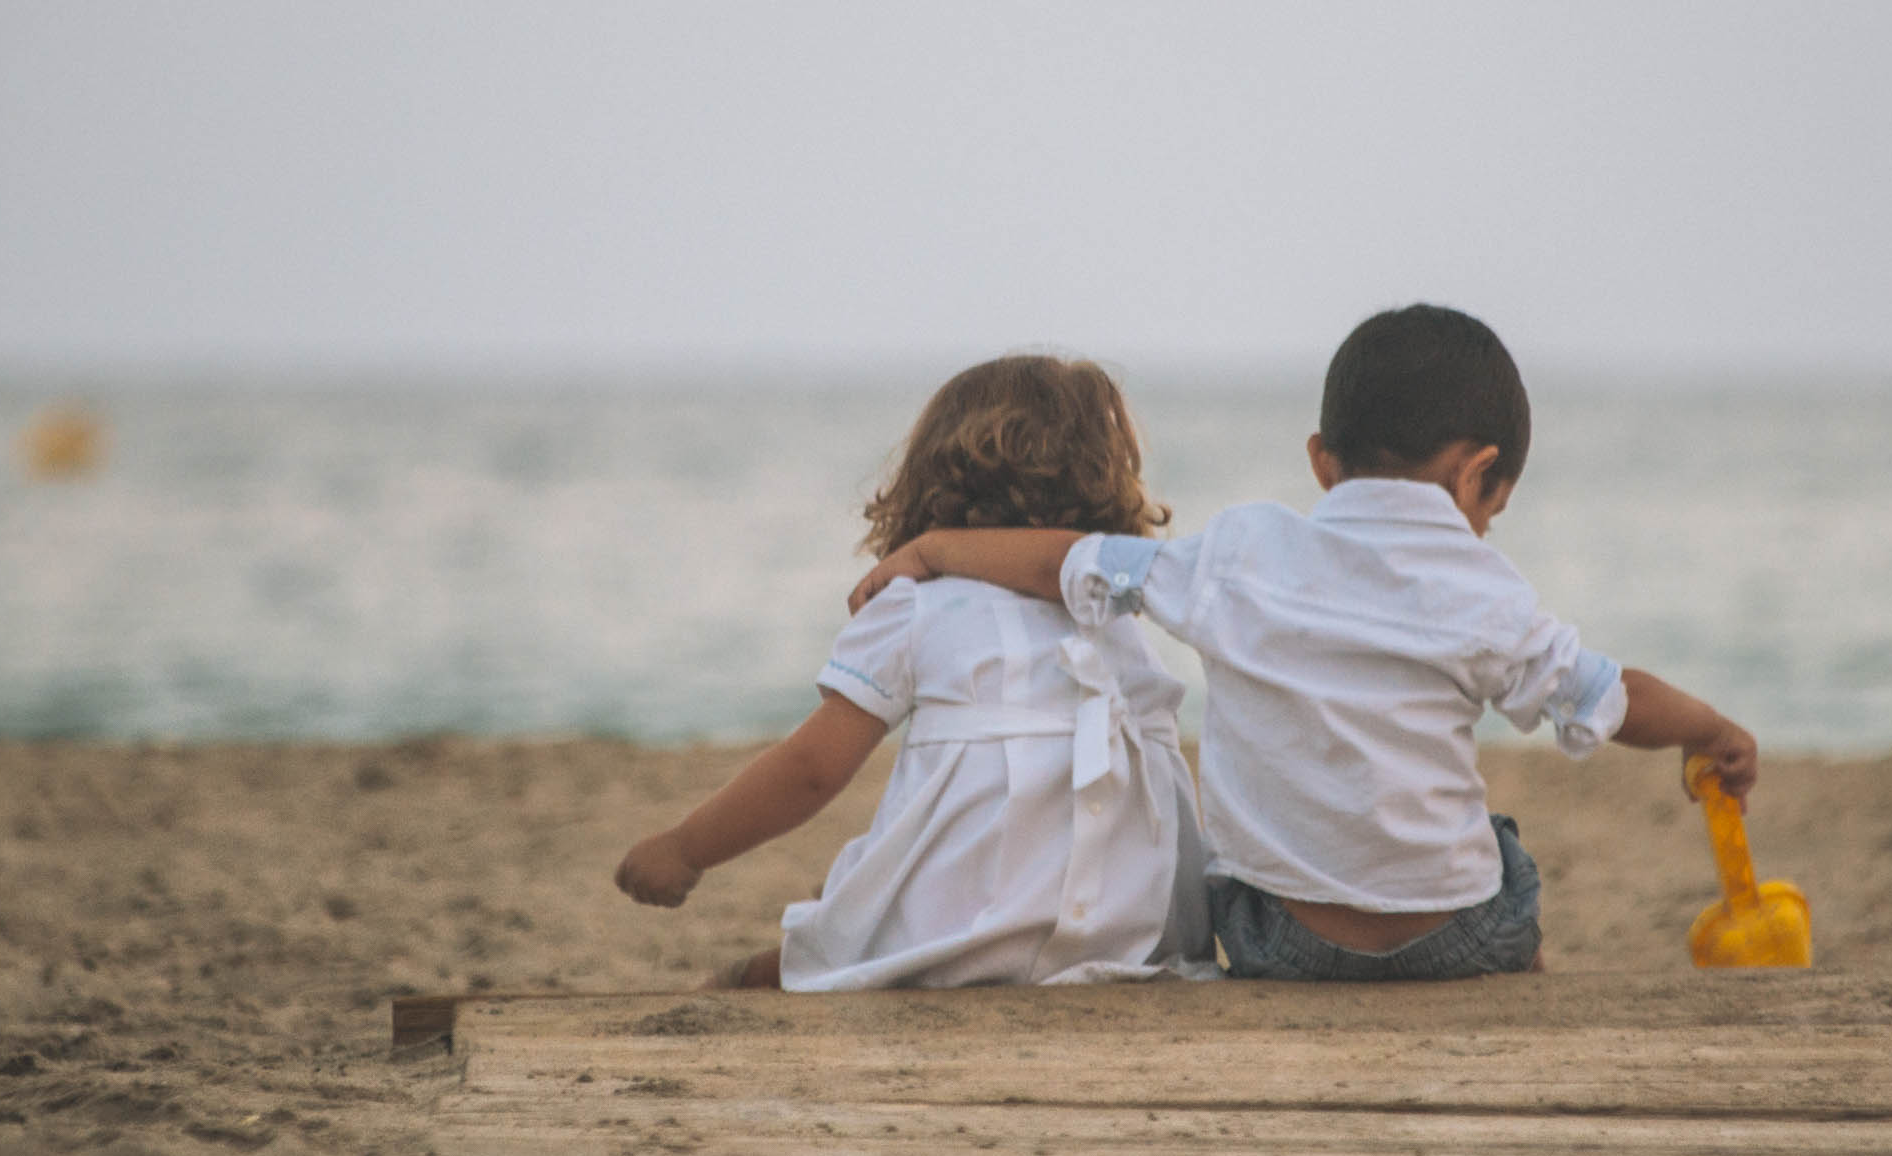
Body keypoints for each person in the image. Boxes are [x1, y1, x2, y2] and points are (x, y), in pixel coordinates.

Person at [848, 304, 1758, 981]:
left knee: (1240, 860)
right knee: (1502, 849)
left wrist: (932, 550)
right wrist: (1709, 730)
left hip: (1281, 941)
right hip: (1450, 938)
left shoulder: (1240, 554)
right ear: (1479, 473)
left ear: (1325, 460)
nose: (1485, 529)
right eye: (1493, 508)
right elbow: (1609, 696)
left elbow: (1069, 562)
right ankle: (1520, 978)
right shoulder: (1486, 591)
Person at [616, 355, 1210, 989]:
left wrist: (686, 849)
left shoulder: (915, 605)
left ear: (932, 479)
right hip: (1131, 937)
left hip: (969, 942)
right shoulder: (1117, 622)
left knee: (764, 975)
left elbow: (811, 772)